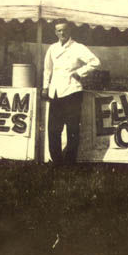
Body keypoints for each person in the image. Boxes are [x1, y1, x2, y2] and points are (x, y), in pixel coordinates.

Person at [43, 20, 101, 164]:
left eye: (64, 30)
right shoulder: (52, 48)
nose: (62, 33)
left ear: (70, 31)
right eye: (59, 31)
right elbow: (47, 69)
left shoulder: (78, 47)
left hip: (72, 91)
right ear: (55, 32)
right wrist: (45, 86)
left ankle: (70, 162)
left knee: (72, 129)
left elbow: (95, 62)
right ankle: (56, 161)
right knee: (53, 129)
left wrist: (80, 72)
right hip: (55, 92)